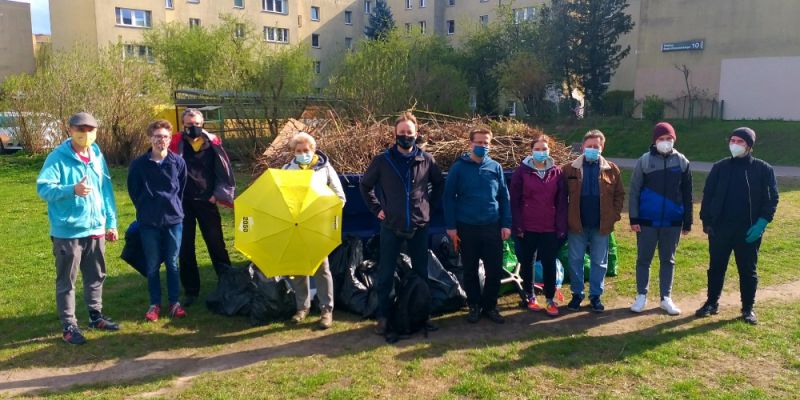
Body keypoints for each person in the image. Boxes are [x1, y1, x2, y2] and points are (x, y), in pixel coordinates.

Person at [36, 112, 120, 345]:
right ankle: (69, 326)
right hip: (68, 232)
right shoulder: (57, 158)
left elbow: (106, 190)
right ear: (70, 130)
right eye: (80, 129)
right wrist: (71, 189)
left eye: (90, 129)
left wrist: (111, 222)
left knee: (96, 275)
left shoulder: (96, 155)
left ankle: (96, 316)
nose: (85, 134)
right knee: (67, 281)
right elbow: (44, 188)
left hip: (96, 228)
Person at [359, 112, 445, 335]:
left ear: (416, 134)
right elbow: (365, 186)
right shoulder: (382, 161)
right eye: (402, 133)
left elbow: (439, 184)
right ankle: (384, 317)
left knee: (421, 273)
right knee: (386, 274)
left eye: (410, 133)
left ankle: (422, 315)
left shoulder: (426, 160)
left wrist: (429, 208)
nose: (406, 136)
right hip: (391, 226)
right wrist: (377, 209)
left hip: (419, 227)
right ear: (395, 134)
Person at [696, 127, 778, 325]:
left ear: (749, 146)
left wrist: (762, 223)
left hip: (749, 230)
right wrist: (706, 221)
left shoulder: (763, 169)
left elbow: (772, 198)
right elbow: (707, 195)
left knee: (748, 270)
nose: (735, 144)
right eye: (732, 140)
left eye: (740, 142)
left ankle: (748, 308)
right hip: (720, 229)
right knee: (716, 268)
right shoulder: (720, 167)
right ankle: (711, 303)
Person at [444, 127, 512, 324]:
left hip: (492, 225)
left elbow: (504, 197)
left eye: (486, 143)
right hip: (467, 227)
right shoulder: (458, 168)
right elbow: (448, 198)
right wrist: (451, 226)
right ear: (470, 144)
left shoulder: (495, 167)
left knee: (494, 269)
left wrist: (506, 223)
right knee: (470, 269)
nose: (482, 146)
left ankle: (490, 306)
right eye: (479, 142)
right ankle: (474, 305)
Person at [168, 108, 235, 307]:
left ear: (202, 124)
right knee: (185, 247)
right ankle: (191, 290)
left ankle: (228, 283)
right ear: (183, 125)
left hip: (207, 201)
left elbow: (224, 170)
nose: (194, 128)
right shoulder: (174, 143)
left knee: (216, 244)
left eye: (197, 124)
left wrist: (218, 194)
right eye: (189, 125)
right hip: (183, 203)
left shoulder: (212, 143)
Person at [282, 132, 346, 329]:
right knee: (298, 267)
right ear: (293, 152)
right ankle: (302, 307)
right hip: (295, 225)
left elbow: (339, 197)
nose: (302, 154)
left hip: (317, 225)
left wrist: (323, 212)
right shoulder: (287, 169)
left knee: (321, 268)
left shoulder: (325, 168)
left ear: (313, 149)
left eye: (306, 150)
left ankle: (326, 309)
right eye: (298, 151)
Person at [628, 122, 692, 316]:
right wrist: (634, 218)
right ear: (655, 141)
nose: (665, 142)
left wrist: (687, 221)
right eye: (661, 139)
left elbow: (687, 193)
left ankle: (666, 298)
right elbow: (634, 191)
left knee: (668, 260)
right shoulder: (645, 161)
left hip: (672, 222)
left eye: (668, 139)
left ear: (674, 140)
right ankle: (641, 296)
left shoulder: (682, 162)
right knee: (643, 259)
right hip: (647, 221)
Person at [128, 120, 188, 322]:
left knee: (172, 263)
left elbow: (181, 189)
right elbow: (134, 191)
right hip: (148, 222)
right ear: (150, 138)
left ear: (170, 139)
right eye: (157, 136)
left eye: (165, 136)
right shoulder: (138, 165)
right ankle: (154, 304)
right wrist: (147, 209)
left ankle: (174, 303)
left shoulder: (178, 162)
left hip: (173, 220)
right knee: (153, 265)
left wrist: (171, 208)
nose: (161, 140)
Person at [562, 130, 625, 313]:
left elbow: (619, 195)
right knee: (575, 260)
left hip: (601, 226)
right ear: (582, 147)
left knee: (599, 262)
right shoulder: (569, 169)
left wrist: (614, 215)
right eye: (589, 146)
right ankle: (577, 295)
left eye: (595, 147)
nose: (592, 149)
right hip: (577, 225)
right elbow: (561, 196)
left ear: (602, 147)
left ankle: (596, 296)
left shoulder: (611, 169)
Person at [510, 134, 568, 317]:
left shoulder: (557, 172)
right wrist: (517, 225)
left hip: (549, 226)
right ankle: (530, 296)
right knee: (528, 262)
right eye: (537, 149)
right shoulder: (522, 172)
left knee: (549, 263)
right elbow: (515, 200)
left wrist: (560, 226)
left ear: (549, 150)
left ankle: (550, 299)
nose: (541, 152)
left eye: (544, 149)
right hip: (528, 226)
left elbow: (561, 202)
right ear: (531, 150)